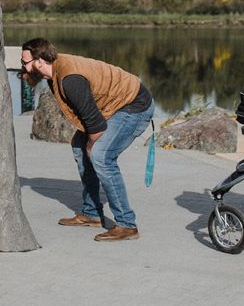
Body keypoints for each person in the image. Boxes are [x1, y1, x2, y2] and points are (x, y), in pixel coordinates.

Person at [20, 37, 154, 241]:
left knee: (101, 156)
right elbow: (88, 114)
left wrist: (92, 145)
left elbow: (94, 123)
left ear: (39, 61)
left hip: (134, 105)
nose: (22, 67)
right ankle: (92, 213)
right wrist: (85, 144)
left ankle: (127, 225)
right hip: (114, 105)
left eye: (24, 63)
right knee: (79, 147)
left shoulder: (70, 78)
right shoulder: (55, 71)